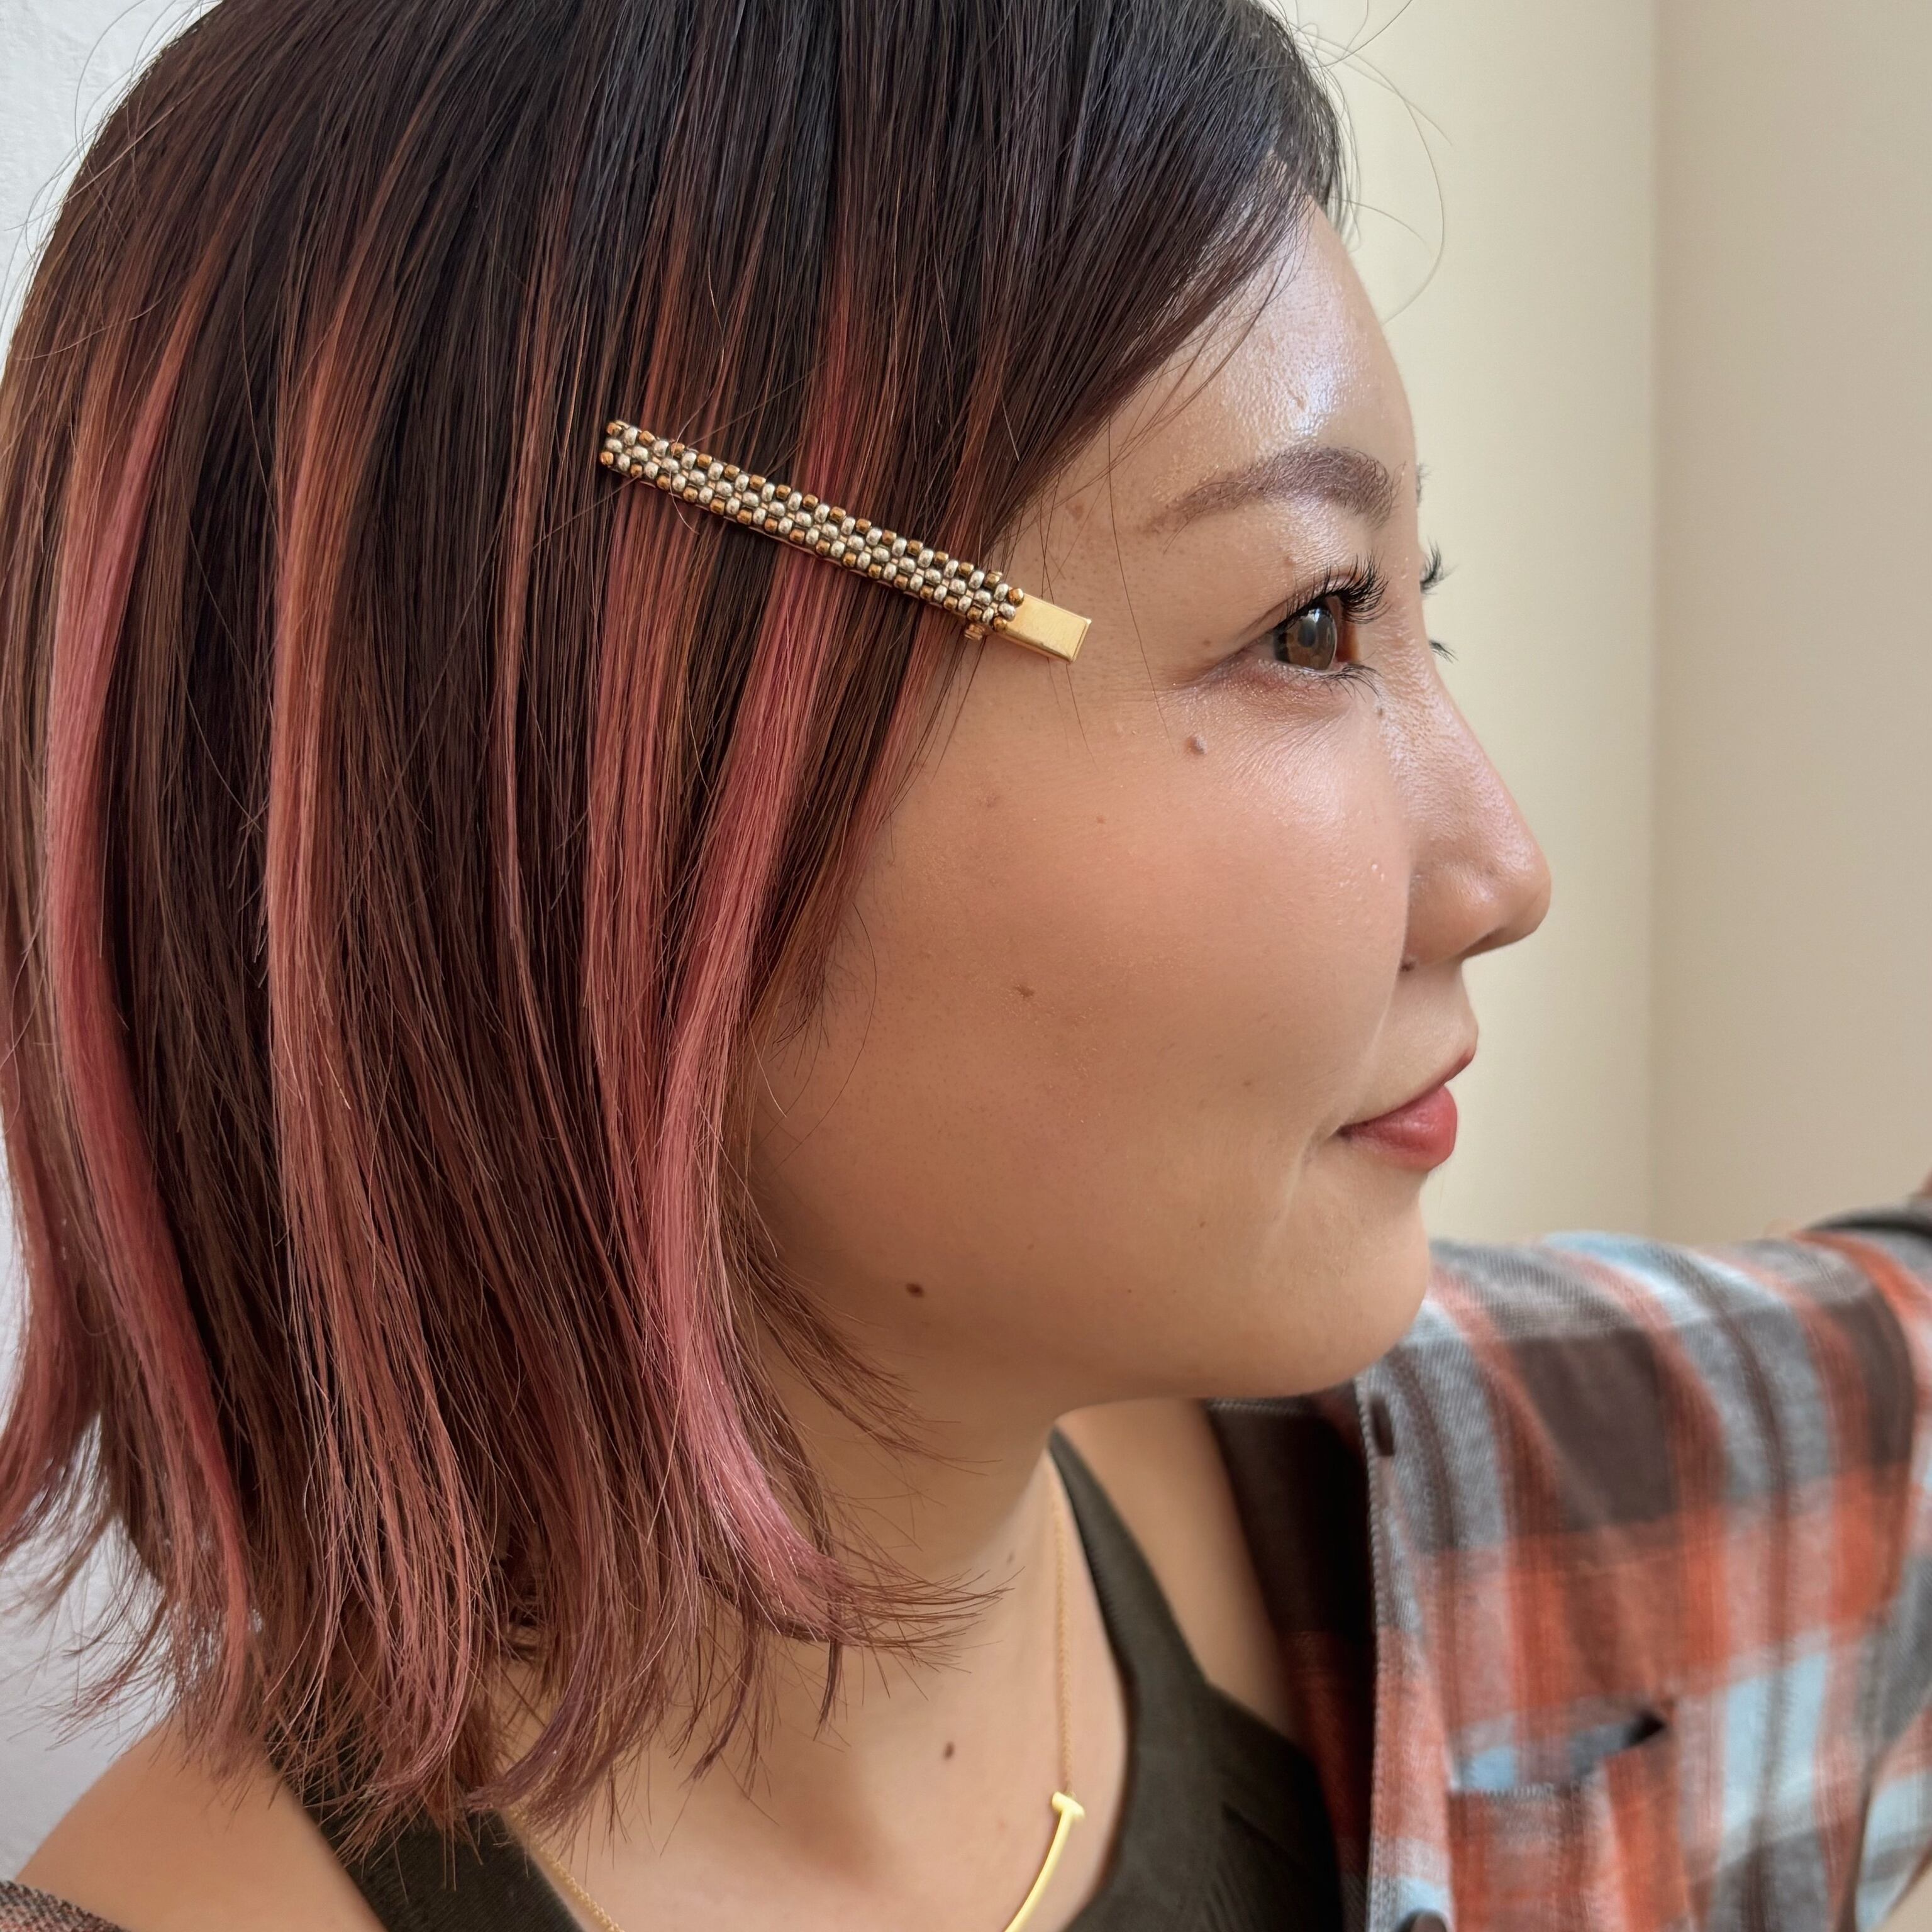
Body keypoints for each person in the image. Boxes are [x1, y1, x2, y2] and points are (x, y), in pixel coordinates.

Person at [0, 2, 1926, 1929]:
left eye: (1410, 612)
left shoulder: (1534, 1501)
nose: (1503, 871)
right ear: (605, 787)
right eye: (1312, 625)